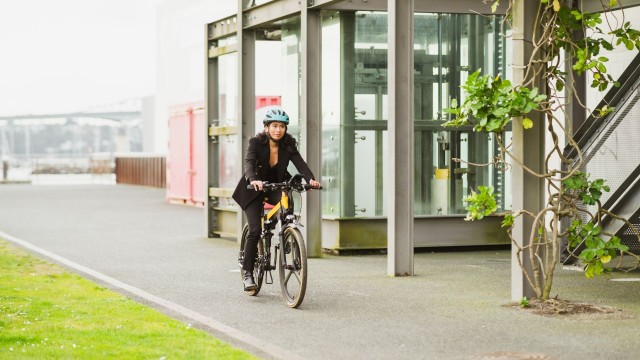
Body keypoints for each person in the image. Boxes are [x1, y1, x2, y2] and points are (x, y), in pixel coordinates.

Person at [232, 106, 321, 291]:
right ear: (266, 127)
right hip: (253, 189)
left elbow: (300, 164)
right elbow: (248, 163)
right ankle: (248, 272)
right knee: (255, 230)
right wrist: (253, 179)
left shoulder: (288, 144)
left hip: (275, 185)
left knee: (288, 196)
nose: (278, 130)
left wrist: (310, 179)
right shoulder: (256, 143)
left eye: (282, 126)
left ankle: (287, 232)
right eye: (274, 125)